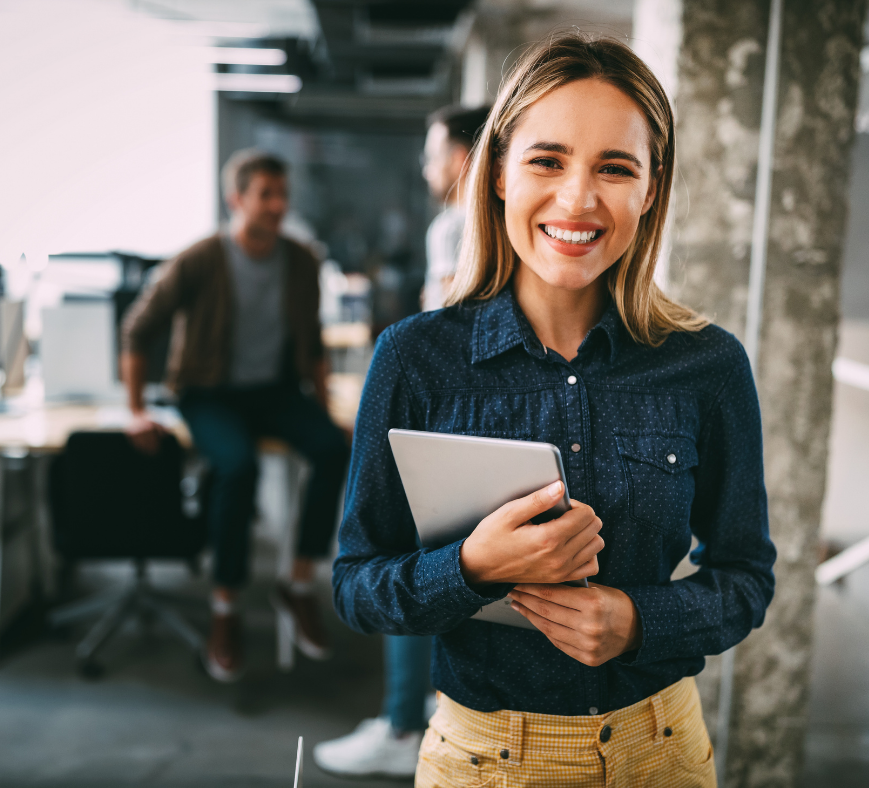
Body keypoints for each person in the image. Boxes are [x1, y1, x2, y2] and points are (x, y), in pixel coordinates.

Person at [332, 34, 776, 787]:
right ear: (500, 171)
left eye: (615, 168)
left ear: (650, 189)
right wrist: (470, 568)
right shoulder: (414, 358)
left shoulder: (707, 364)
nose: (578, 199)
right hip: (482, 758)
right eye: (548, 159)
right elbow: (356, 586)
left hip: (662, 752)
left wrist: (641, 622)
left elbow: (745, 576)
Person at [121, 149, 350, 683]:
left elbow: (312, 344)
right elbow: (138, 330)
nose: (278, 205)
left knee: (334, 448)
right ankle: (225, 607)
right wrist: (135, 410)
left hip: (273, 390)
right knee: (237, 466)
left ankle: (296, 586)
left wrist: (322, 411)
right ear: (236, 199)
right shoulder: (200, 258)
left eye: (282, 195)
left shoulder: (300, 260)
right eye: (266, 194)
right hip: (208, 392)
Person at [313, 103, 490, 780]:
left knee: (408, 562)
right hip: (466, 414)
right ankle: (422, 716)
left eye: (434, 152)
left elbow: (443, 328)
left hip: (445, 416)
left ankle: (403, 724)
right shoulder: (491, 224)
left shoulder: (456, 225)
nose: (426, 166)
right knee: (456, 571)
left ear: (467, 157)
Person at [420, 105, 491, 312]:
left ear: (459, 159)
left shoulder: (449, 228)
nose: (427, 171)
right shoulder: (501, 221)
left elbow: (451, 313)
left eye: (432, 158)